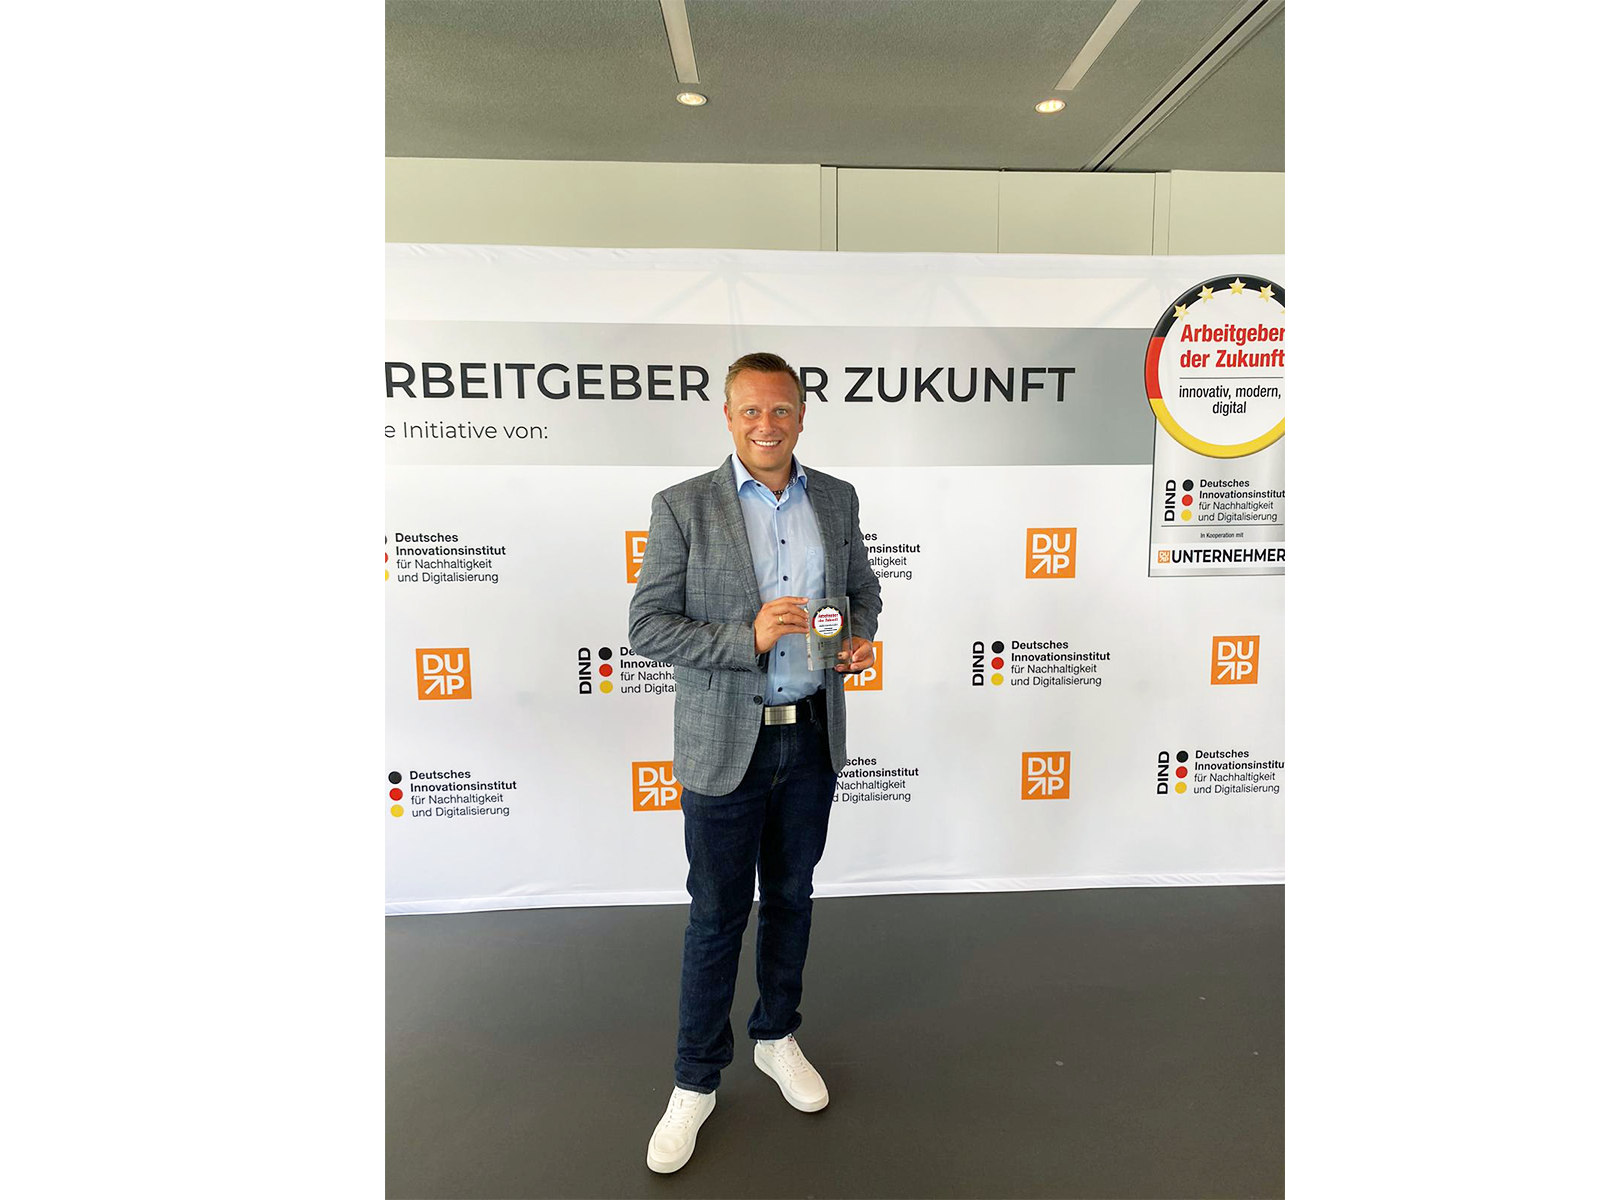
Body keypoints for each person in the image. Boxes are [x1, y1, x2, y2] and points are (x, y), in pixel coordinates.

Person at [628, 351, 883, 1174]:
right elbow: (648, 628)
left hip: (810, 736)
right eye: (750, 412)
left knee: (793, 898)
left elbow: (863, 594)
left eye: (781, 411)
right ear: (728, 417)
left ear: (801, 416)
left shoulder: (836, 500)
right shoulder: (683, 507)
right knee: (715, 916)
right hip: (723, 744)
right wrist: (750, 639)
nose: (766, 426)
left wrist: (854, 639)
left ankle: (776, 1035)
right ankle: (695, 1082)